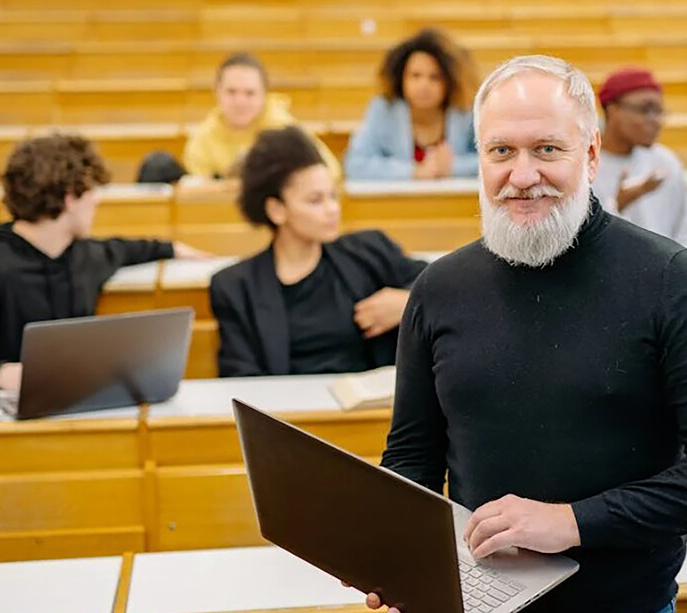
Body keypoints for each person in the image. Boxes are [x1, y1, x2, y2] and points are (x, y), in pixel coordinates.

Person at [358, 56, 687, 613]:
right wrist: (392, 552)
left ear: (591, 154)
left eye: (547, 149)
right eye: (501, 151)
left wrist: (571, 522)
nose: (522, 176)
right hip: (474, 603)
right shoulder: (438, 289)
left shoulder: (672, 280)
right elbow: (411, 456)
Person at [0, 134, 207, 394]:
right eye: (91, 192)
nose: (96, 201)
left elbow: (125, 249)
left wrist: (174, 248)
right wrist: (0, 374)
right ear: (70, 198)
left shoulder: (83, 255)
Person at [209, 126, 427, 377]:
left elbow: (443, 290)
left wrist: (407, 304)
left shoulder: (369, 251)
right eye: (315, 200)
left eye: (333, 196)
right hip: (285, 412)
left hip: (371, 412)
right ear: (276, 210)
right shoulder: (236, 287)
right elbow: (239, 379)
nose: (332, 209)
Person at [138, 53, 340, 184]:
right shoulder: (203, 138)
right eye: (232, 92)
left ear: (264, 95)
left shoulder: (285, 130)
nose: (240, 101)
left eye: (250, 93)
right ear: (217, 92)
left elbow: (330, 171)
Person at [343, 28, 478, 181]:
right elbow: (355, 165)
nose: (424, 85)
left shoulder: (465, 112)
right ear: (401, 79)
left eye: (435, 77)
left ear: (450, 82)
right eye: (415, 76)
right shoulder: (382, 109)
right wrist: (414, 172)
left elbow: (491, 161)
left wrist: (452, 168)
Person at [593, 67, 687, 247]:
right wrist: (618, 205)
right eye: (646, 110)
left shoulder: (665, 161)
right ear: (612, 110)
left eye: (660, 111)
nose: (656, 121)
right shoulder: (585, 164)